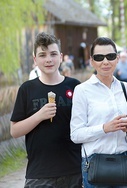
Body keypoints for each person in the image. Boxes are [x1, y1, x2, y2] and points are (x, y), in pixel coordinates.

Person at [10, 32, 82, 187]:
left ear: (61, 57)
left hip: (74, 171)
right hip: (39, 174)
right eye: (42, 55)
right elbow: (14, 131)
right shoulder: (27, 89)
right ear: (35, 60)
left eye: (53, 54)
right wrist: (39, 116)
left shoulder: (75, 86)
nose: (48, 59)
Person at [70, 37, 127, 188]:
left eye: (110, 56)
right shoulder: (82, 90)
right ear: (92, 61)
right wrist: (105, 128)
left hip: (125, 161)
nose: (105, 61)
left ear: (117, 58)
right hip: (96, 164)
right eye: (99, 57)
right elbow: (75, 135)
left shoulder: (125, 88)